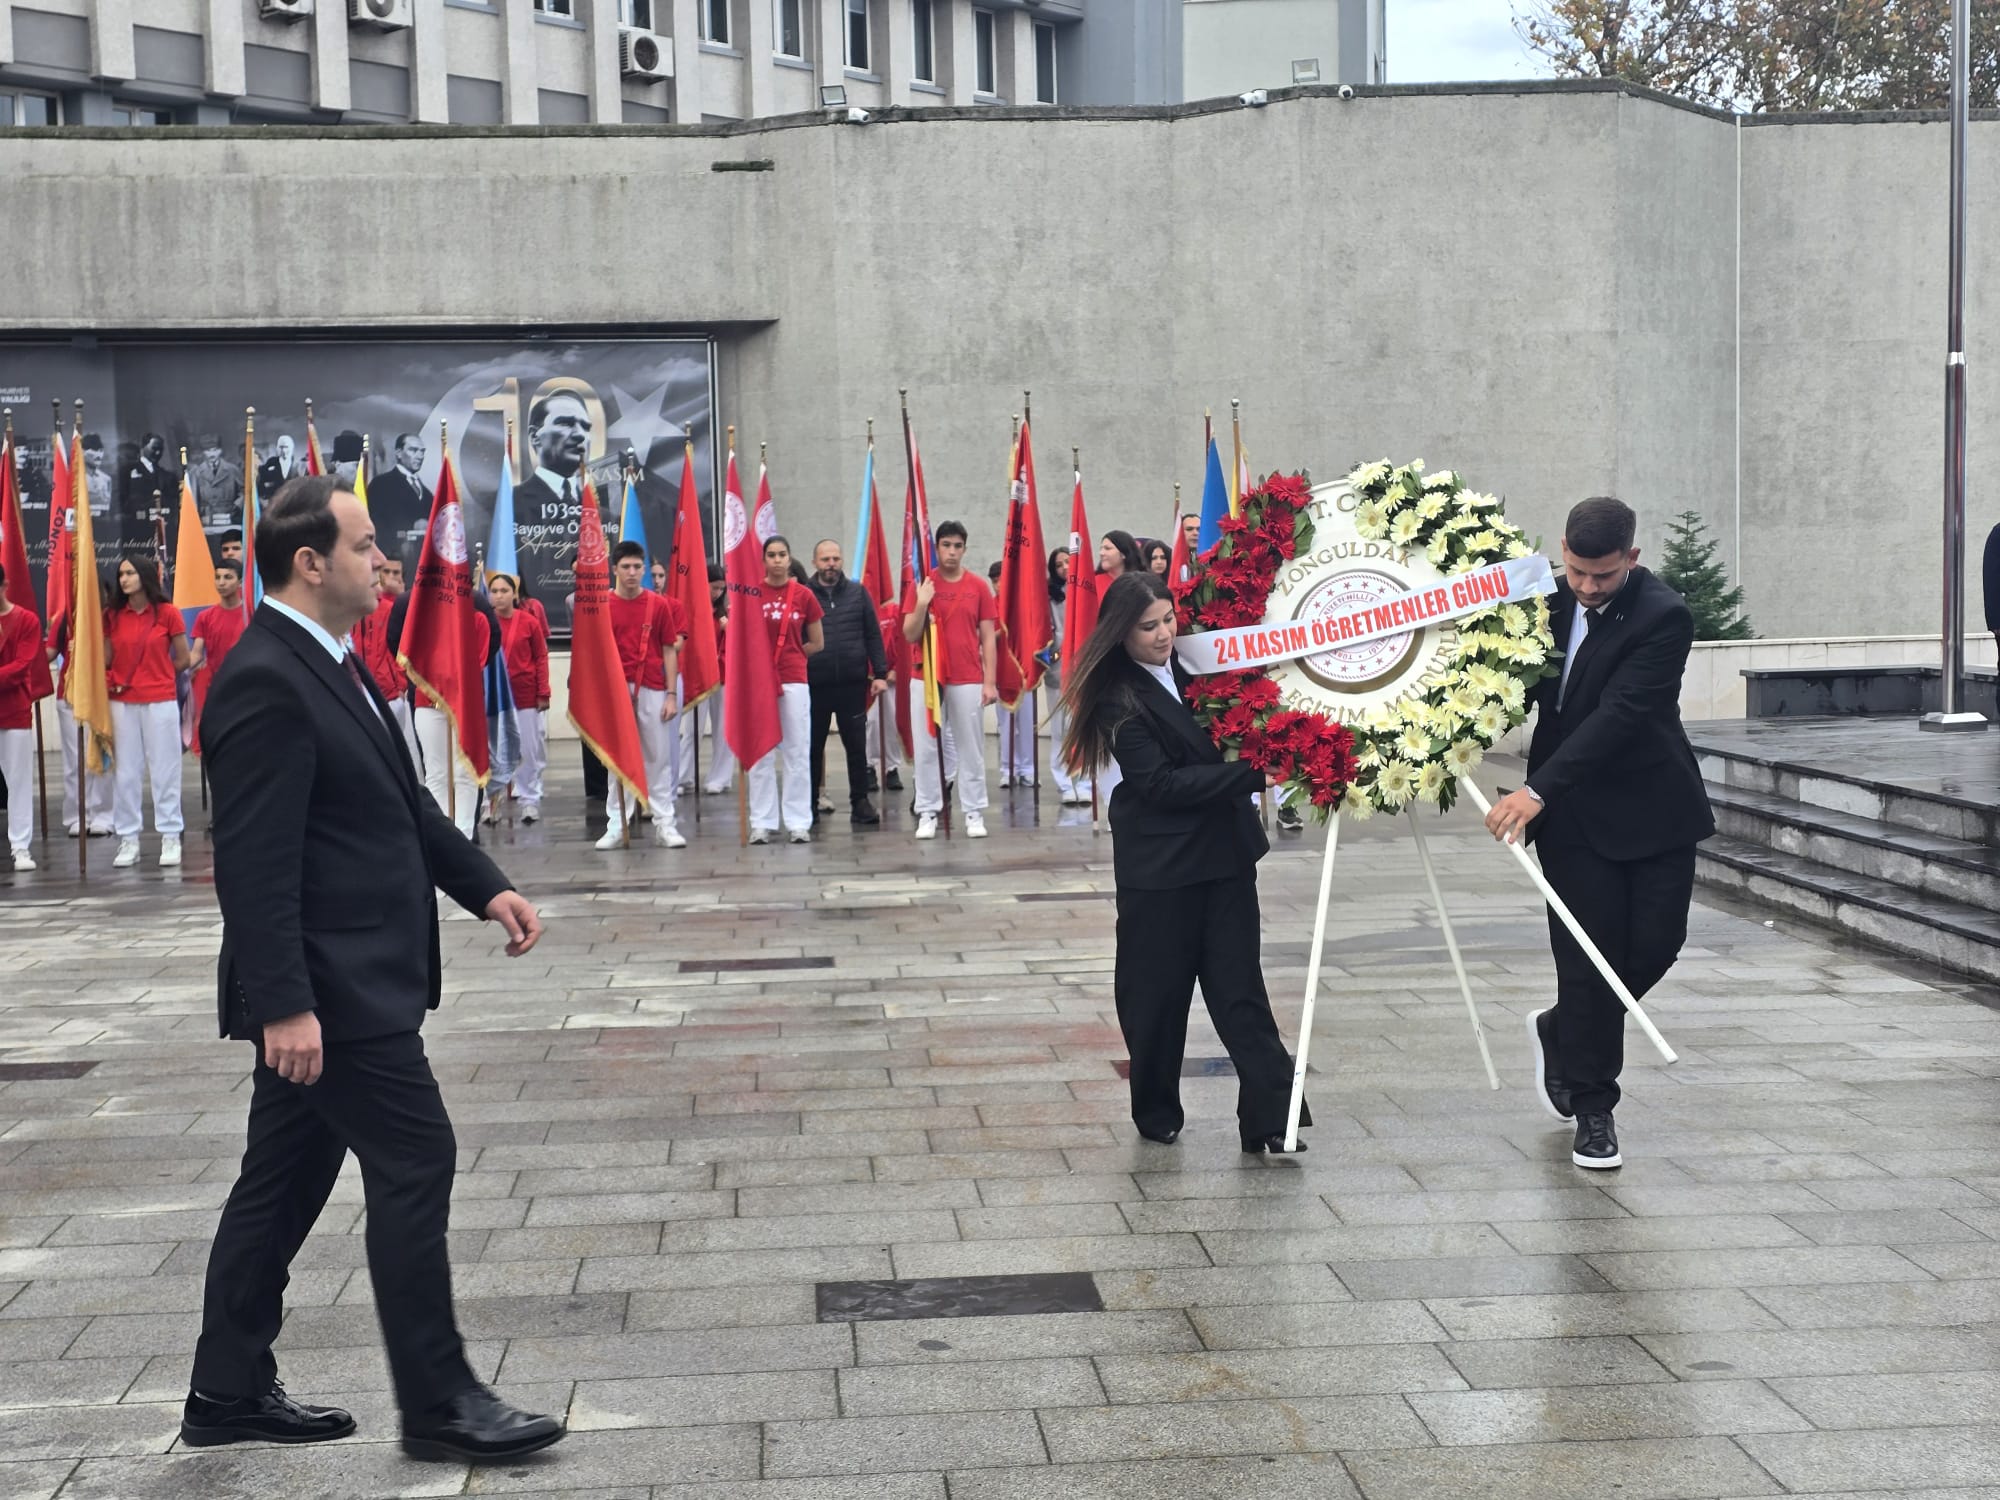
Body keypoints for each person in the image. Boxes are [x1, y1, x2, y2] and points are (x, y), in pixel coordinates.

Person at [185, 474, 562, 1463]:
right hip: (331, 994)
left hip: (346, 983)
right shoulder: (266, 676)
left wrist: (483, 886)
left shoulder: (338, 662)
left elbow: (401, 807)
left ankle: (226, 1388)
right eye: (362, 546)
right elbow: (255, 864)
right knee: (416, 1156)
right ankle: (440, 1405)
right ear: (310, 564)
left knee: (281, 1179)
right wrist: (282, 1006)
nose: (381, 560)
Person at [1482, 496, 1715, 1172]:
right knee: (1587, 961)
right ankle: (1593, 1108)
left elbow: (1620, 715)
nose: (1586, 587)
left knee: (1655, 947)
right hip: (1576, 822)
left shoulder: (1663, 615)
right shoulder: (1540, 604)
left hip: (1653, 810)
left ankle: (1562, 1030)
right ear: (1563, 550)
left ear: (1632, 560)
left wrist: (1534, 790)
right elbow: (1492, 675)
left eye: (1603, 577)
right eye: (1577, 572)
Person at [1060, 570, 1308, 1154]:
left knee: (1240, 988)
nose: (1164, 634)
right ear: (1121, 632)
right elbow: (1160, 783)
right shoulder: (1116, 697)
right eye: (1148, 627)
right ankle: (1156, 1108)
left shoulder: (1200, 664)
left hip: (1223, 856)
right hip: (1161, 868)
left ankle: (1272, 1120)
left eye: (1169, 619)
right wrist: (1251, 775)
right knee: (1156, 998)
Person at [387, 575, 500, 839]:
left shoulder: (478, 618)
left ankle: (463, 832)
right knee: (435, 771)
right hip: (428, 702)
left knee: (465, 770)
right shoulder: (419, 619)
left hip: (465, 703)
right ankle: (441, 836)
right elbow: (402, 648)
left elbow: (481, 656)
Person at [904, 520, 997, 840]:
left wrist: (990, 681)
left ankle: (973, 810)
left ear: (964, 549)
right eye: (946, 545)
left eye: (958, 546)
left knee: (970, 746)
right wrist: (920, 602)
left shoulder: (978, 587)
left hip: (967, 675)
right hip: (926, 675)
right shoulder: (922, 583)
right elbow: (909, 633)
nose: (952, 552)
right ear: (937, 547)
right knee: (926, 745)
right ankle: (928, 810)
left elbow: (988, 637)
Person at [105, 552, 191, 868]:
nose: (124, 579)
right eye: (121, 574)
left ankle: (170, 835)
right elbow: (106, 660)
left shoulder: (168, 613)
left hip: (161, 701)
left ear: (144, 575)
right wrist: (109, 680)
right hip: (122, 701)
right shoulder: (112, 616)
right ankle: (128, 839)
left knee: (166, 770)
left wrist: (160, 676)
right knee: (126, 772)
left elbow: (184, 657)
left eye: (129, 573)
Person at [600, 539, 686, 850]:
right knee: (616, 759)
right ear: (615, 570)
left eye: (638, 567)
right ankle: (615, 823)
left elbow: (668, 649)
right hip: (615, 690)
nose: (633, 572)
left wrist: (672, 694)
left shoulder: (658, 605)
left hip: (651, 687)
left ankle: (665, 823)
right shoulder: (603, 605)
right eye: (626, 567)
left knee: (658, 757)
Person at [805, 540, 889, 825]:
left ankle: (860, 802)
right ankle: (810, 804)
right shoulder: (803, 594)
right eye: (825, 559)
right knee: (812, 747)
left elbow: (873, 634)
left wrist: (879, 673)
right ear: (815, 562)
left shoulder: (857, 593)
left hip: (852, 685)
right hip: (814, 685)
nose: (831, 564)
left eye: (836, 558)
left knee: (856, 746)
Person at [747, 535, 824, 844]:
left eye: (782, 554)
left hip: (794, 680)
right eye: (771, 555)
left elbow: (818, 642)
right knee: (760, 753)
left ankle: (797, 821)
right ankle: (762, 822)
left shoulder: (805, 595)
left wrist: (791, 657)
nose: (777, 560)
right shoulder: (751, 594)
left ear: (790, 559)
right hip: (759, 683)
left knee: (796, 751)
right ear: (763, 560)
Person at [488, 572, 549, 824]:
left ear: (515, 594)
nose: (499, 595)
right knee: (493, 751)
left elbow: (541, 657)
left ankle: (529, 800)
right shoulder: (483, 622)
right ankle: (491, 802)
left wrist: (543, 691)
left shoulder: (529, 622)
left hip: (524, 695)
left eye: (504, 590)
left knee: (527, 750)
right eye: (495, 591)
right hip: (493, 697)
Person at [354, 558, 421, 770]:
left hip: (391, 693)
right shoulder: (350, 612)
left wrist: (400, 682)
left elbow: (400, 647)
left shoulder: (390, 609)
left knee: (396, 751)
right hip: (358, 691)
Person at [0, 563, 44, 870]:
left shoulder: (26, 620)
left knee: (18, 781)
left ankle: (20, 846)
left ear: (4, 585)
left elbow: (21, 666)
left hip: (13, 710)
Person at [188, 558, 252, 753]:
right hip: (217, 689)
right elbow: (196, 654)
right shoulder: (205, 617)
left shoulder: (251, 614)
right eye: (217, 577)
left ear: (240, 581)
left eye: (228, 577)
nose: (221, 582)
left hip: (246, 690)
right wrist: (179, 670)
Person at [1045, 547, 1089, 806]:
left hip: (1082, 669)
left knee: (1082, 727)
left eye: (1068, 562)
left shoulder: (1084, 592)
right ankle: (1064, 784)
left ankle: (1084, 781)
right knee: (1060, 730)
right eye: (1059, 563)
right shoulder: (1048, 597)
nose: (1064, 567)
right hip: (1057, 669)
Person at [690, 562, 736, 796]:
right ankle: (685, 776)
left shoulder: (725, 613)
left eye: (721, 589)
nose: (717, 593)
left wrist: (729, 629)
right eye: (713, 587)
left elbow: (738, 646)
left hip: (722, 674)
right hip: (698, 674)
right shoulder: (694, 609)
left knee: (723, 727)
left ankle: (720, 776)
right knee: (691, 729)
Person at [368, 433, 431, 563]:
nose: (420, 456)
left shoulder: (428, 494)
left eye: (422, 451)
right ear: (398, 453)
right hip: (393, 562)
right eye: (413, 450)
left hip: (423, 563)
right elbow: (377, 526)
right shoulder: (381, 485)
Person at [193, 438, 243, 533]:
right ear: (203, 452)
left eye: (215, 450)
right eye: (208, 451)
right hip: (207, 517)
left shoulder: (232, 470)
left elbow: (244, 491)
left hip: (229, 515)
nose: (212, 454)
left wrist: (236, 506)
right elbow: (194, 498)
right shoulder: (197, 472)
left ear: (220, 451)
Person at [256, 434, 302, 500]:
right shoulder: (272, 461)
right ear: (278, 448)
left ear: (292, 448)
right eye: (281, 447)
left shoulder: (297, 464)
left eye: (286, 447)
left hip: (292, 499)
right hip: (273, 498)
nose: (283, 450)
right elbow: (261, 479)